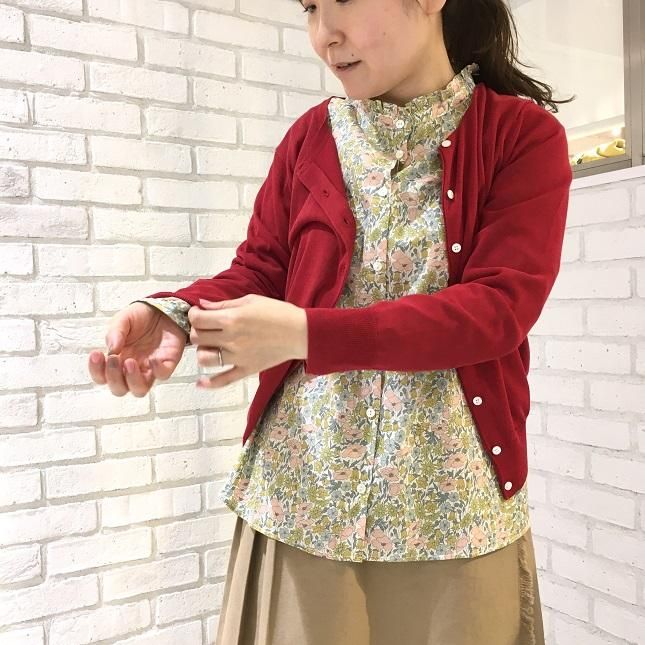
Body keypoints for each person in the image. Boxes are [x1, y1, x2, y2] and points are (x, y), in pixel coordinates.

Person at [88, 0, 575, 643]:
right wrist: (176, 314)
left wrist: (307, 334)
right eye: (311, 7)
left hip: (454, 511)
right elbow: (262, 268)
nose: (324, 35)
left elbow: (497, 309)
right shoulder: (310, 138)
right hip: (302, 493)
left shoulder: (521, 137)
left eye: (341, 0)